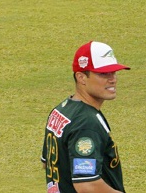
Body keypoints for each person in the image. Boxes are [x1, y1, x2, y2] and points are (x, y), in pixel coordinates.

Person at [41, 41, 130, 193]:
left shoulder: (62, 109)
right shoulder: (86, 123)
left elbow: (46, 163)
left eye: (114, 72)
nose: (113, 79)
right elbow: (87, 186)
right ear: (81, 77)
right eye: (103, 74)